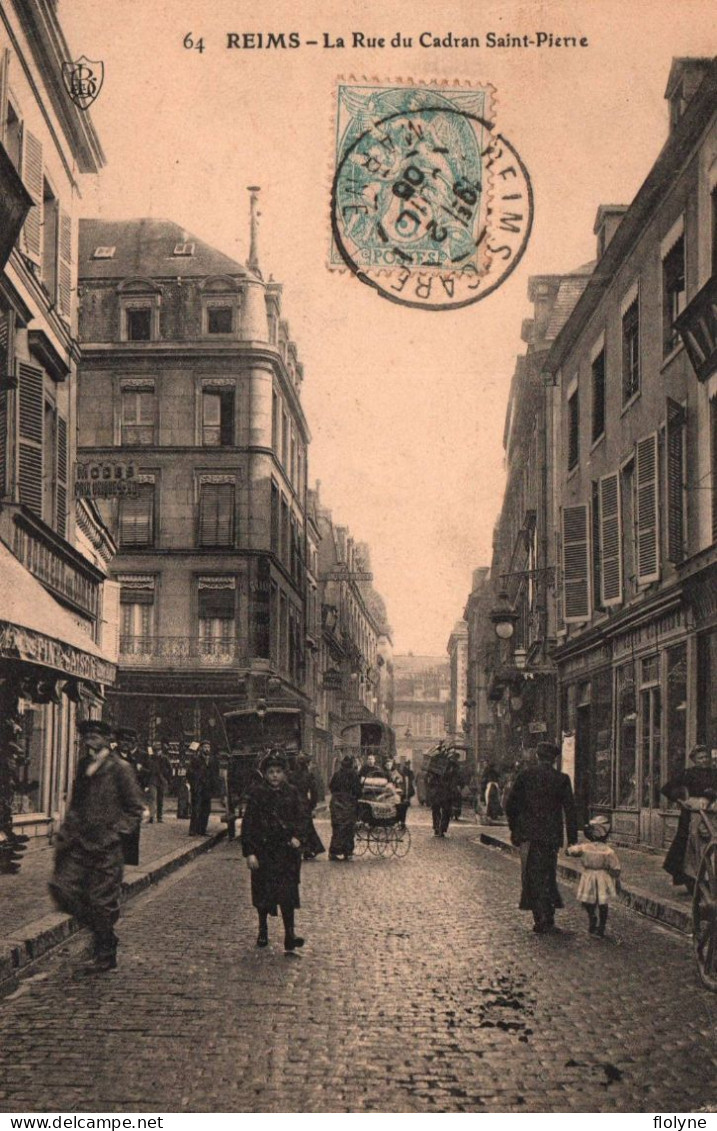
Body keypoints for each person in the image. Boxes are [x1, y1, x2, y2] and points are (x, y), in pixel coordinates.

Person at [48, 719, 146, 973]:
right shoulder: (84, 766)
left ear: (106, 738)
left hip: (106, 847)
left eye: (95, 735)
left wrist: (115, 833)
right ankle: (104, 935)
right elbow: (76, 805)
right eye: (86, 735)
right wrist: (66, 832)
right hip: (79, 844)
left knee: (100, 901)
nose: (90, 739)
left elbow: (135, 809)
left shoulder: (120, 769)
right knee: (63, 889)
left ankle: (105, 950)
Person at [505, 741, 578, 933]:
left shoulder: (525, 776)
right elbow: (570, 811)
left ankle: (540, 918)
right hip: (551, 837)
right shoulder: (562, 779)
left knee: (531, 876)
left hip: (529, 836)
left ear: (537, 756)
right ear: (554, 759)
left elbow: (510, 805)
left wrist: (514, 830)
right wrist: (572, 841)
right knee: (548, 875)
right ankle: (548, 918)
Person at [241, 750, 306, 952]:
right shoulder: (257, 794)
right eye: (271, 772)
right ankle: (262, 929)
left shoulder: (292, 792)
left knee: (287, 894)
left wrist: (298, 837)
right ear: (265, 774)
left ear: (284, 774)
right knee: (263, 894)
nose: (275, 776)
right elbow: (248, 825)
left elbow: (303, 819)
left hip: (286, 853)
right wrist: (250, 853)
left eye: (278, 771)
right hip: (264, 852)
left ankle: (290, 934)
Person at [661, 745, 717, 892]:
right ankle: (691, 880)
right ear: (694, 760)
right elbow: (666, 788)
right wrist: (681, 801)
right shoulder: (688, 774)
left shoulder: (714, 773)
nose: (704, 760)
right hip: (692, 815)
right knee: (690, 847)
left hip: (713, 812)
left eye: (706, 757)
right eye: (700, 758)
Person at [566, 815, 621, 937]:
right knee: (602, 903)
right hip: (603, 877)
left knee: (588, 901)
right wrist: (616, 878)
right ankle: (601, 926)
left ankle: (592, 917)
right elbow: (616, 867)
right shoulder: (608, 851)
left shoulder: (585, 847)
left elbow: (571, 851)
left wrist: (569, 850)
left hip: (588, 877)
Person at [114, 727, 144, 864]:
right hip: (116, 805)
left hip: (130, 807)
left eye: (129, 741)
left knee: (130, 841)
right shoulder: (112, 758)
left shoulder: (134, 759)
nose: (126, 743)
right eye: (123, 740)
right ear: (118, 741)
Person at [289, 753, 325, 860]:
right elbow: (314, 792)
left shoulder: (291, 775)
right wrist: (312, 804)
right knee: (307, 827)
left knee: (296, 827)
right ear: (307, 764)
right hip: (304, 804)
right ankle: (307, 850)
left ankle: (300, 850)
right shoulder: (309, 775)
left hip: (293, 804)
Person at [328, 754, 363, 860]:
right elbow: (358, 791)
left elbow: (331, 787)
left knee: (337, 827)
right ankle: (348, 852)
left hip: (336, 803)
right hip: (349, 804)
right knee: (348, 828)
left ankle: (334, 852)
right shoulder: (354, 775)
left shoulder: (336, 774)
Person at [425, 747, 460, 838]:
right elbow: (455, 779)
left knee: (436, 810)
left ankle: (437, 828)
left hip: (437, 792)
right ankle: (442, 829)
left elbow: (429, 780)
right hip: (446, 792)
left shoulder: (434, 766)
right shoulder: (452, 766)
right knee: (446, 811)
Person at [187, 739, 214, 836]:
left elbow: (214, 774)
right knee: (196, 809)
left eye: (208, 747)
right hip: (198, 788)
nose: (207, 749)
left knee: (206, 809)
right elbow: (189, 772)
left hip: (207, 788)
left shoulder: (211, 760)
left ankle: (202, 829)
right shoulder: (195, 759)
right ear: (201, 748)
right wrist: (195, 784)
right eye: (205, 747)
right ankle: (193, 830)